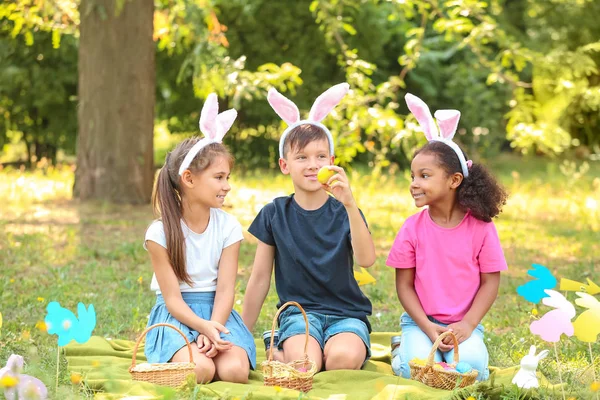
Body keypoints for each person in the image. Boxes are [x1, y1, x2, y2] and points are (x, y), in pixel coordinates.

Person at [242, 83, 376, 372]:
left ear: (332, 161)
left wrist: (351, 205)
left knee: (342, 361)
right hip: (299, 315)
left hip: (346, 315)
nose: (312, 165)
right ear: (284, 164)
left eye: (320, 157)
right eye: (301, 157)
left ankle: (280, 350)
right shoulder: (274, 213)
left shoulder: (345, 211)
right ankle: (281, 344)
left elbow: (367, 260)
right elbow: (260, 278)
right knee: (307, 363)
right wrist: (242, 332)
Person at [387, 93, 509, 381]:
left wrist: (467, 325)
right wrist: (428, 328)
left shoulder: (481, 228)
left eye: (424, 176)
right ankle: (400, 349)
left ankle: (450, 348)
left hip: (464, 326)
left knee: (473, 372)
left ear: (454, 180)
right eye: (413, 176)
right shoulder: (411, 228)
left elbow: (491, 281)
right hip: (420, 324)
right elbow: (404, 285)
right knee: (413, 370)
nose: (414, 184)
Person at [143, 94, 256, 384]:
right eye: (219, 177)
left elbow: (226, 289)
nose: (227, 186)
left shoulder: (229, 227)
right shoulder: (160, 234)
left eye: (228, 177)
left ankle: (209, 347)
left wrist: (214, 327)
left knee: (234, 372)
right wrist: (200, 327)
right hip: (179, 316)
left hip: (219, 311)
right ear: (189, 179)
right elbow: (171, 299)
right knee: (201, 370)